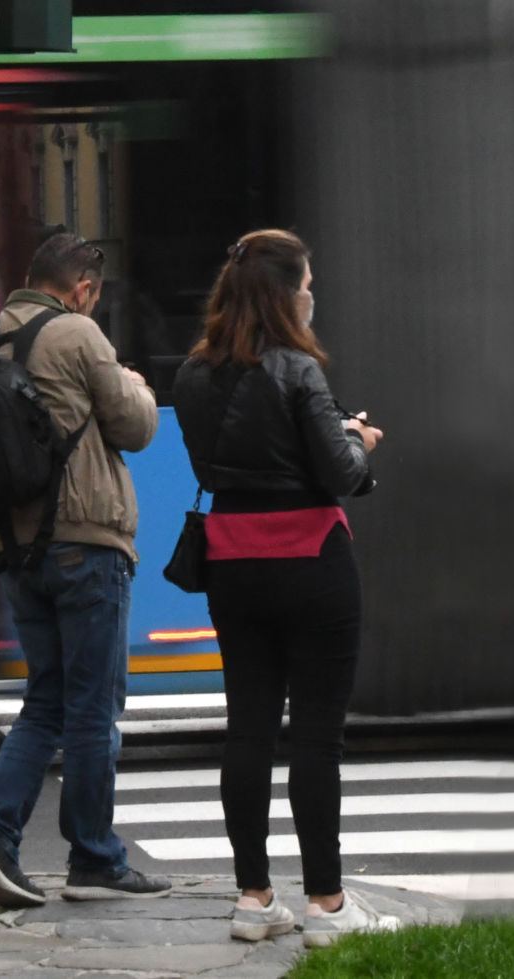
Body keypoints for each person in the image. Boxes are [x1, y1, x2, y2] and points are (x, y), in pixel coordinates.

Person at [173, 229, 399, 948]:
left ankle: (253, 896)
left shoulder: (191, 375)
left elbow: (219, 467)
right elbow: (341, 475)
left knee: (247, 727)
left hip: (233, 564)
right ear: (284, 294)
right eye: (306, 284)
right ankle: (327, 906)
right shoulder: (298, 369)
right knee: (316, 737)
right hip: (312, 561)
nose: (311, 294)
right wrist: (357, 439)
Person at [0, 232, 172, 907]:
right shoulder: (78, 334)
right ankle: (95, 856)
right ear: (82, 288)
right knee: (92, 703)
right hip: (85, 544)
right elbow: (135, 426)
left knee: (46, 699)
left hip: (15, 552)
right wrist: (132, 382)